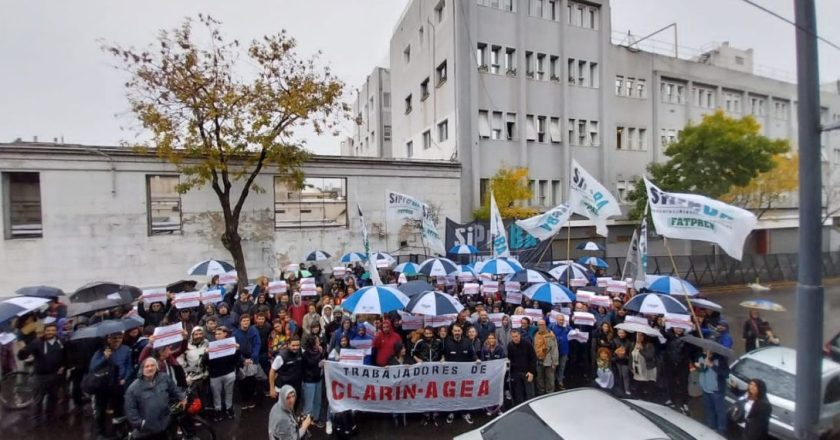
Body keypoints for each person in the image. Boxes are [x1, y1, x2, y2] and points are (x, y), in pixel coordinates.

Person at [125, 357, 186, 440]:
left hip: (164, 425)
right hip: (147, 431)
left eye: (152, 365)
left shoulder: (164, 378)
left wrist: (182, 398)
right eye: (147, 366)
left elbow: (174, 389)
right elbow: (130, 410)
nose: (150, 368)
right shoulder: (133, 388)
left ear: (156, 367)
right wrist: (141, 424)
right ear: (142, 369)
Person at [89, 331, 132, 438]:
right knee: (101, 410)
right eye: (114, 338)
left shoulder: (126, 349)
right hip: (103, 385)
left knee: (118, 410)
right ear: (108, 339)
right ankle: (101, 432)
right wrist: (104, 357)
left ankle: (118, 430)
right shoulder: (101, 351)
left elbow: (129, 367)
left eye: (119, 338)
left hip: (118, 385)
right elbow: (93, 367)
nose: (117, 340)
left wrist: (125, 379)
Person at [21, 322, 65, 423]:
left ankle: (50, 418)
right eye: (48, 330)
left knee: (53, 398)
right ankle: (36, 421)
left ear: (56, 331)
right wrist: (23, 350)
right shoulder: (37, 343)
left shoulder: (61, 341)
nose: (50, 332)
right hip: (40, 377)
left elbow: (66, 355)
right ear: (44, 331)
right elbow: (23, 355)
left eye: (53, 330)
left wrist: (64, 366)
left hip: (55, 375)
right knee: (38, 400)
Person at [442, 325, 478, 425]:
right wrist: (442, 359)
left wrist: (476, 359)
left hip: (465, 374)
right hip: (451, 375)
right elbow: (443, 355)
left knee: (464, 393)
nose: (457, 332)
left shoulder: (467, 342)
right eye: (455, 331)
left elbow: (472, 354)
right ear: (452, 332)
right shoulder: (447, 342)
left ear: (461, 331)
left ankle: (465, 412)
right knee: (452, 394)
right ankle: (452, 412)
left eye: (459, 330)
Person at [412, 326, 444, 426]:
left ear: (433, 333)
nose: (428, 336)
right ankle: (425, 415)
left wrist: (442, 359)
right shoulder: (420, 343)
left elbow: (443, 353)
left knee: (435, 393)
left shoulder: (439, 342)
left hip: (436, 372)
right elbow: (413, 353)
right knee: (424, 393)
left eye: (430, 334)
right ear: (424, 334)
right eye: (426, 334)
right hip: (424, 372)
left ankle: (435, 415)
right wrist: (417, 360)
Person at [206, 326, 238, 421]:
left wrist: (237, 350)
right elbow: (206, 363)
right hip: (215, 375)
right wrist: (206, 354)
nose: (217, 336)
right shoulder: (211, 346)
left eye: (219, 334)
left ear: (225, 334)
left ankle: (229, 408)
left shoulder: (230, 344)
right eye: (216, 334)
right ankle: (218, 410)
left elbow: (235, 360)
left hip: (228, 372)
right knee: (216, 394)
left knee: (229, 392)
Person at [232, 314, 261, 410]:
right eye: (244, 321)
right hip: (242, 360)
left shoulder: (254, 331)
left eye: (248, 320)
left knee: (252, 380)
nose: (246, 322)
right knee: (242, 381)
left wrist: (253, 357)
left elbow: (257, 344)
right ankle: (244, 400)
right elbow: (235, 349)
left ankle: (251, 399)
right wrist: (243, 359)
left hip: (252, 359)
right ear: (240, 322)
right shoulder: (236, 333)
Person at [697, 350, 728, 436]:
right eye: (705, 349)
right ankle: (711, 430)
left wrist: (712, 365)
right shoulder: (701, 358)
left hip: (717, 391)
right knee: (709, 411)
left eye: (709, 350)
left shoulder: (720, 359)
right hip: (705, 389)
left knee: (720, 412)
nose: (707, 351)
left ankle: (721, 432)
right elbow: (701, 371)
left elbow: (726, 374)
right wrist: (700, 367)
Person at [270, 335, 304, 407]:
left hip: (295, 387)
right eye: (293, 345)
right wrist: (272, 388)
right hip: (283, 387)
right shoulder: (281, 356)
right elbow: (272, 371)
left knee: (294, 408)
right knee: (283, 409)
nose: (296, 347)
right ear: (288, 344)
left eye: (298, 345)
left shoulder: (300, 351)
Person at [300, 333, 325, 428]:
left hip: (318, 379)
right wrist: (320, 355)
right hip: (309, 381)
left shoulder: (319, 351)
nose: (319, 342)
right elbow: (312, 363)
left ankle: (315, 418)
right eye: (318, 341)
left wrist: (321, 353)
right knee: (309, 402)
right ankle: (306, 421)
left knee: (317, 400)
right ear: (313, 344)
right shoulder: (305, 354)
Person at [506, 329, 536, 406]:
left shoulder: (527, 344)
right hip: (516, 373)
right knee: (518, 393)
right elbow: (510, 360)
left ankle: (532, 407)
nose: (515, 338)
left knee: (530, 393)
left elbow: (533, 358)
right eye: (513, 337)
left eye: (516, 336)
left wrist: (531, 372)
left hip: (527, 371)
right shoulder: (510, 345)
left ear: (519, 335)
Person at [533, 319, 558, 395]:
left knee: (550, 379)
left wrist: (554, 362)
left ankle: (550, 393)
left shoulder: (551, 335)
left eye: (543, 324)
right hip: (538, 360)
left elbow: (554, 349)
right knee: (539, 379)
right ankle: (541, 393)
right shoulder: (536, 335)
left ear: (545, 325)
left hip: (549, 361)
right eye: (539, 325)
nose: (541, 326)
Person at [631, 332, 658, 399]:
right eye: (638, 335)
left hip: (647, 368)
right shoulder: (633, 344)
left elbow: (649, 356)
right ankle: (638, 395)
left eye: (641, 336)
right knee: (638, 382)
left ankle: (649, 397)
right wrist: (630, 366)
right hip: (637, 367)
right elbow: (630, 356)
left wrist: (641, 349)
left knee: (648, 383)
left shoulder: (649, 345)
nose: (639, 337)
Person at [548, 313, 570, 390]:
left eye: (562, 320)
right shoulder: (552, 326)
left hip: (564, 350)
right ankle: (552, 382)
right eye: (560, 319)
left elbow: (573, 332)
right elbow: (546, 330)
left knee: (562, 367)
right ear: (556, 319)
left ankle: (560, 381)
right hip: (554, 351)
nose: (561, 321)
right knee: (553, 367)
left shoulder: (567, 327)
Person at [611, 328, 634, 396]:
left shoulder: (629, 342)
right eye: (620, 333)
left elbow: (630, 353)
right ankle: (620, 389)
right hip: (617, 361)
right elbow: (612, 352)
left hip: (625, 361)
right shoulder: (614, 340)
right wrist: (616, 352)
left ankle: (627, 389)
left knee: (625, 376)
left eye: (623, 333)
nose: (621, 334)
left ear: (625, 334)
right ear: (618, 333)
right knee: (618, 376)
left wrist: (625, 355)